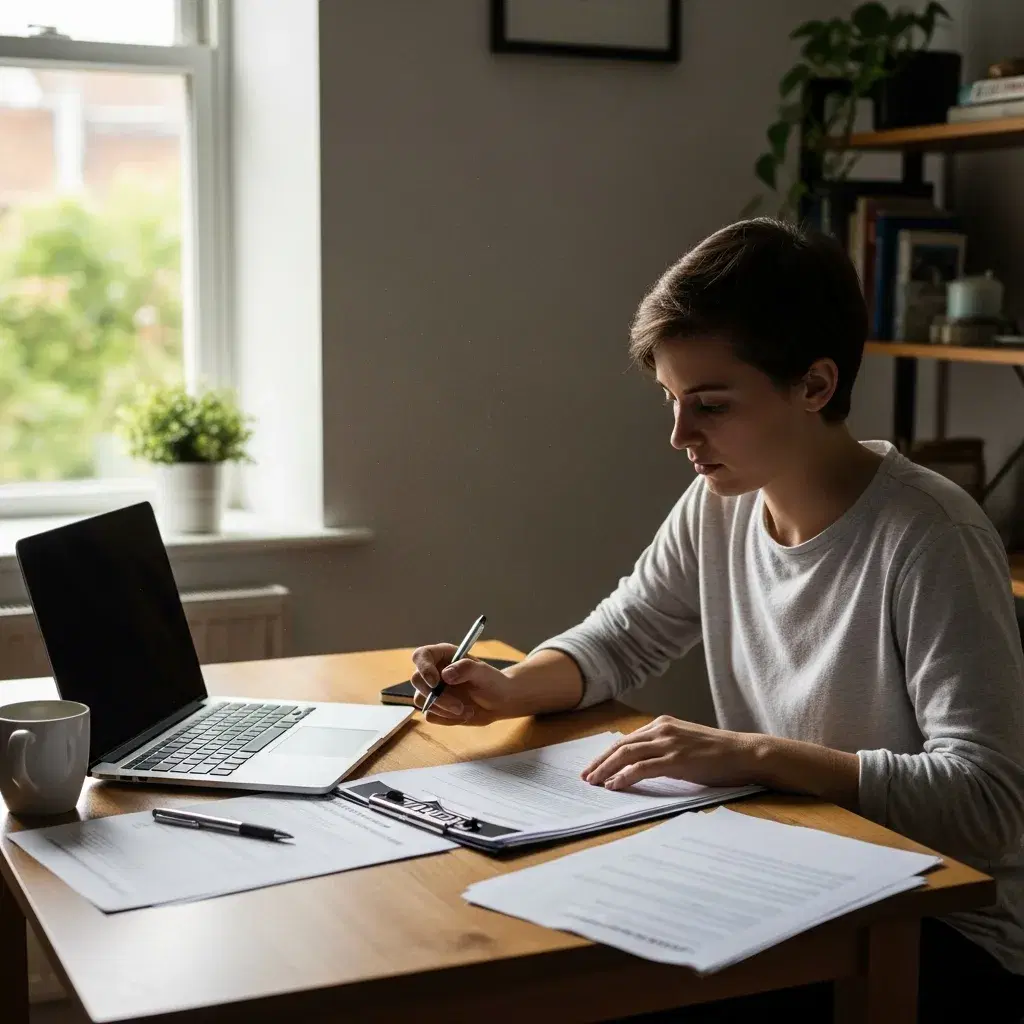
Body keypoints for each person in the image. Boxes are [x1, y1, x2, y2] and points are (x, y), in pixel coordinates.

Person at [410, 219, 1024, 1022]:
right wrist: (511, 687)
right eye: (671, 400)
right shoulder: (721, 502)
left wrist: (757, 755)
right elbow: (627, 632)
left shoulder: (930, 537)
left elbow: (986, 806)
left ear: (815, 385)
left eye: (710, 404)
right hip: (792, 879)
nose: (679, 436)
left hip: (935, 930)